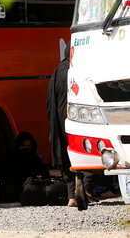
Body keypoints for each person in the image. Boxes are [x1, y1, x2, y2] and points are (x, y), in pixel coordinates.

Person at [47, 44, 95, 209]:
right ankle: (86, 189)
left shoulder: (57, 71)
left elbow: (49, 101)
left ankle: (71, 196)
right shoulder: (77, 70)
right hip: (77, 118)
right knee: (87, 151)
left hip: (60, 122)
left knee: (67, 156)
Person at [0, 131, 48, 203]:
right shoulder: (10, 158)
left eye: (29, 146)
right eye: (23, 146)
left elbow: (41, 173)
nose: (26, 149)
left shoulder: (35, 159)